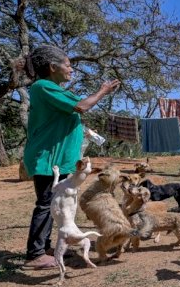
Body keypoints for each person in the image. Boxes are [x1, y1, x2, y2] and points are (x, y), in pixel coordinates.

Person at [22, 45, 120, 269]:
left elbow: (69, 114)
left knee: (56, 203)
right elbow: (82, 106)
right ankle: (35, 253)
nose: (71, 70)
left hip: (57, 157)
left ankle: (45, 247)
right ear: (52, 67)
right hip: (48, 157)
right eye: (68, 65)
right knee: (47, 203)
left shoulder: (53, 88)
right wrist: (103, 91)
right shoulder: (43, 86)